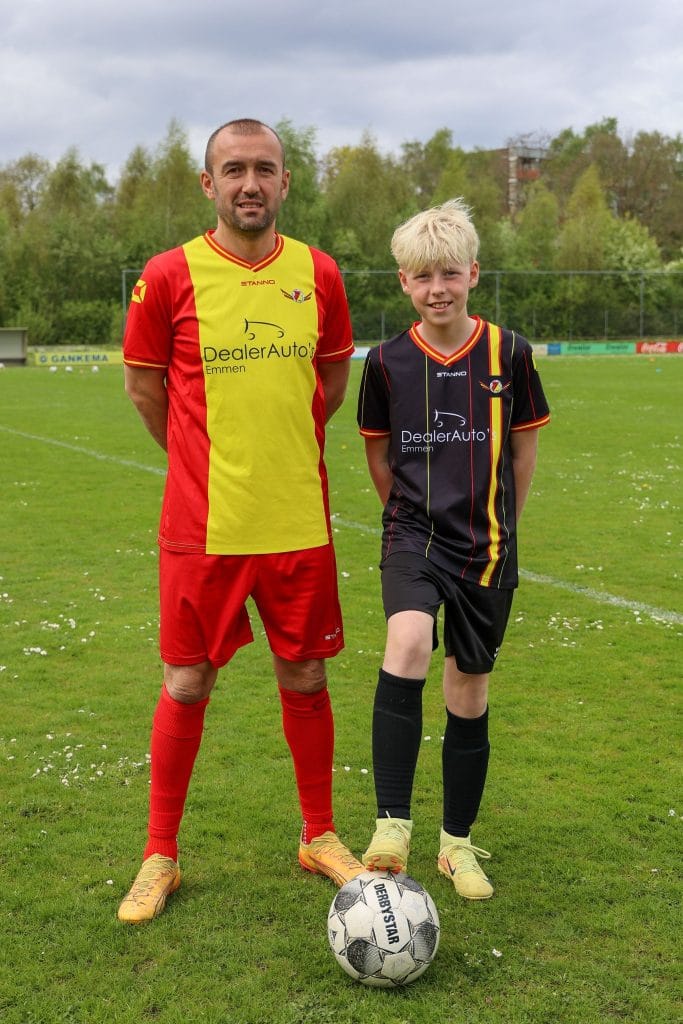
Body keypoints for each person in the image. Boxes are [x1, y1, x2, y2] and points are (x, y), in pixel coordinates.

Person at [117, 118, 364, 924]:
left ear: (285, 181)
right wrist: (201, 459)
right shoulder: (168, 274)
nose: (249, 183)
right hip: (204, 526)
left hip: (296, 520)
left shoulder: (318, 272)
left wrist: (277, 453)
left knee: (307, 675)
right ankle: (160, 854)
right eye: (233, 170)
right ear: (208, 183)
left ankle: (318, 835)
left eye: (263, 169)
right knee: (187, 681)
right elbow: (146, 390)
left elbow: (329, 385)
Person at [357, 198, 550, 900]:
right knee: (407, 640)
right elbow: (380, 458)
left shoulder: (510, 353)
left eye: (448, 273)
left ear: (472, 273)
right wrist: (408, 521)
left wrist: (502, 525)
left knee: (468, 688)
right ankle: (391, 826)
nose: (436, 288)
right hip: (414, 535)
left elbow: (522, 453)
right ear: (403, 283)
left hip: (487, 544)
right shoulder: (385, 363)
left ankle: (455, 846)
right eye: (421, 276)